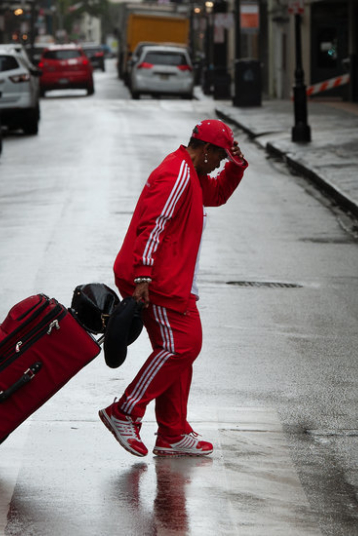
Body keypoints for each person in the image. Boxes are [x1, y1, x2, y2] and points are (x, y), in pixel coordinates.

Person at [99, 119, 248, 457]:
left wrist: (236, 167)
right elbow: (154, 225)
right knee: (181, 346)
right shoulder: (177, 174)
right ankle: (125, 411)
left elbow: (219, 194)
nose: (221, 163)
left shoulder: (193, 175)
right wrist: (143, 276)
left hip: (170, 278)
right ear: (206, 149)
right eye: (221, 157)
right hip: (157, 280)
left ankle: (172, 432)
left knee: (180, 348)